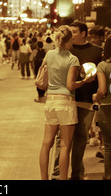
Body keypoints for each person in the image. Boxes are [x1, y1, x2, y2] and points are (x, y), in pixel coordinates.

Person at [39, 25, 95, 180]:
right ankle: (63, 178)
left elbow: (44, 71)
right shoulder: (72, 59)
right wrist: (84, 80)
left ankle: (44, 178)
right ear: (69, 40)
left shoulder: (49, 54)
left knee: (46, 144)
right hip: (65, 103)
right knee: (65, 145)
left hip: (50, 101)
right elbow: (70, 85)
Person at [69, 20, 103, 180]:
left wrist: (99, 97)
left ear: (83, 33)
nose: (71, 35)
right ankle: (66, 173)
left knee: (81, 138)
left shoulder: (97, 51)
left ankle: (76, 174)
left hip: (87, 101)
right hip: (67, 99)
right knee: (66, 140)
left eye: (74, 32)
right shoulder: (66, 50)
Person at [92, 36, 111, 179]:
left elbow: (103, 90)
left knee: (109, 147)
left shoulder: (103, 66)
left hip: (107, 108)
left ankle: (108, 175)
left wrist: (96, 97)